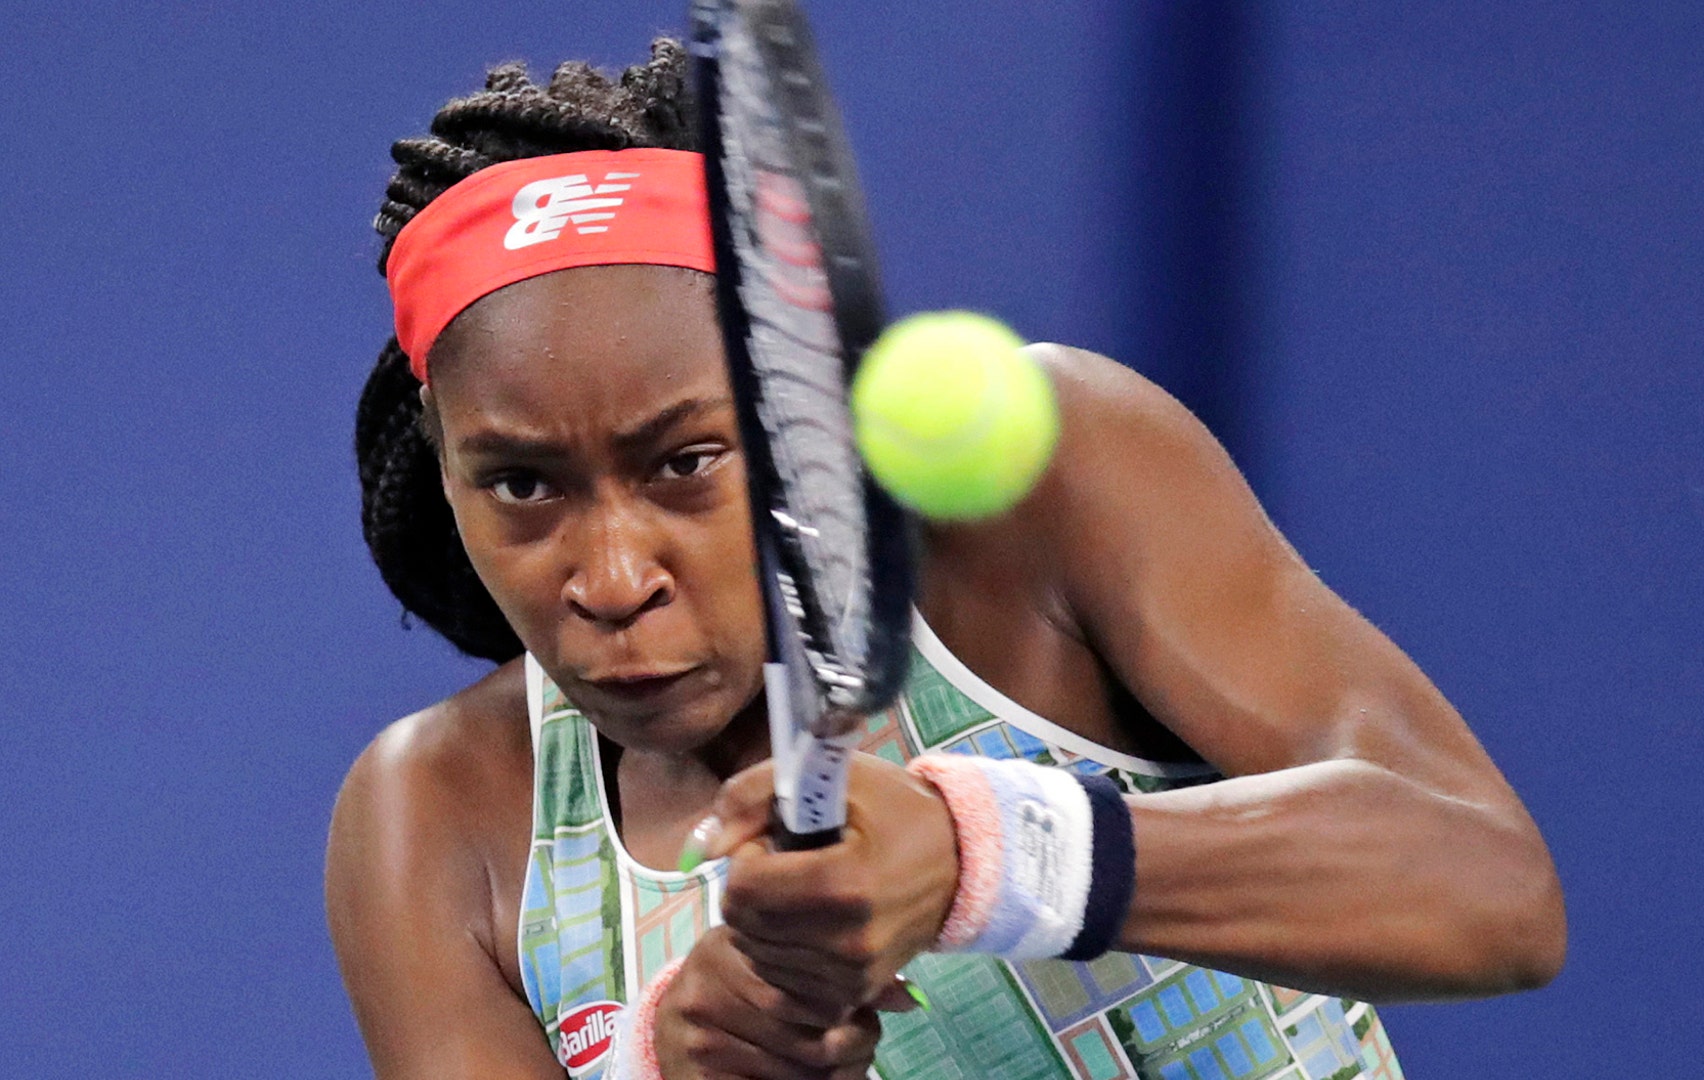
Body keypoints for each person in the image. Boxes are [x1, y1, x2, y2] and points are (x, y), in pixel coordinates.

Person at [326, 43, 1564, 1080]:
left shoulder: (1046, 492)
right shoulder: (436, 817)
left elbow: (1485, 881)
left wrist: (988, 855)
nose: (608, 578)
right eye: (523, 484)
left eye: (687, 460)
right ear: (444, 473)